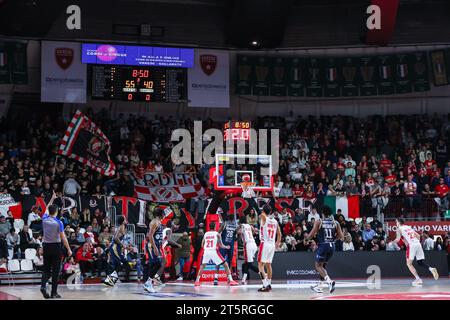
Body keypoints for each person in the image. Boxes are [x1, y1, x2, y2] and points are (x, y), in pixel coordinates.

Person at [40, 192, 72, 299]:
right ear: (57, 211)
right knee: (56, 271)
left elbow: (47, 207)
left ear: (49, 211)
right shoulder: (59, 222)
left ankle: (43, 286)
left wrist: (52, 199)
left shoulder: (44, 219)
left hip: (46, 247)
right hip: (56, 247)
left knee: (46, 269)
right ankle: (54, 292)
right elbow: (63, 238)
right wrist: (68, 249)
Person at [306, 205, 343, 294]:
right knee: (323, 266)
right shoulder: (336, 222)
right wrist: (333, 239)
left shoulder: (319, 222)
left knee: (318, 266)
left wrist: (306, 239)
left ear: (322, 213)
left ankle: (329, 282)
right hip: (332, 246)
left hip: (323, 246)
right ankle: (320, 286)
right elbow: (341, 236)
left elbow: (311, 235)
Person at [393, 218, 439, 286]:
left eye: (396, 222)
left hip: (411, 245)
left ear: (399, 222)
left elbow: (397, 239)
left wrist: (391, 242)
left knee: (409, 264)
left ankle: (418, 279)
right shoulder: (408, 227)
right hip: (417, 244)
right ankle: (431, 269)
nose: (396, 223)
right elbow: (418, 236)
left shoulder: (399, 229)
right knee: (420, 262)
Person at [194, 221, 238, 287]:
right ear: (215, 227)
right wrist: (226, 247)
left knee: (202, 266)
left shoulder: (206, 233)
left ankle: (197, 281)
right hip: (213, 251)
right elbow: (221, 245)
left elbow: (202, 245)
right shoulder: (217, 234)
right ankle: (231, 280)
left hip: (206, 251)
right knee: (226, 265)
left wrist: (206, 248)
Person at [257, 206, 281, 292]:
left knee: (260, 265)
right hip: (272, 244)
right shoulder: (275, 221)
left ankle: (265, 285)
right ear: (270, 211)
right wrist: (277, 243)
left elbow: (262, 214)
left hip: (265, 243)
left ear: (263, 211)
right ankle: (269, 284)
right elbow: (279, 234)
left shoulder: (264, 218)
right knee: (268, 265)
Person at [143, 207, 165, 293]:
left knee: (154, 264)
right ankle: (148, 283)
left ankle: (148, 283)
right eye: (163, 214)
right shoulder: (154, 222)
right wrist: (155, 248)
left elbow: (156, 235)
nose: (164, 215)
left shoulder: (158, 222)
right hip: (151, 246)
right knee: (158, 263)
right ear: (161, 214)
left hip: (156, 245)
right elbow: (150, 235)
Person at [103, 215, 129, 286]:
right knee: (123, 263)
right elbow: (115, 238)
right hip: (115, 247)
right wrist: (122, 245)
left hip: (117, 248)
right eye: (125, 218)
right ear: (122, 220)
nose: (126, 219)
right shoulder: (121, 227)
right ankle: (110, 278)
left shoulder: (122, 227)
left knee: (118, 265)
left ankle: (111, 279)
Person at [214, 213, 238, 285]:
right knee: (228, 261)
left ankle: (216, 278)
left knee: (219, 261)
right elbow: (236, 236)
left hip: (225, 244)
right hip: (230, 245)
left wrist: (219, 242)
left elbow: (218, 233)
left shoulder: (225, 223)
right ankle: (228, 278)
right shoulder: (234, 225)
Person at [239, 215, 259, 285]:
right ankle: (244, 279)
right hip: (254, 244)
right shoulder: (249, 225)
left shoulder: (242, 225)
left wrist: (238, 231)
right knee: (247, 263)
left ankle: (261, 273)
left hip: (248, 245)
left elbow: (240, 232)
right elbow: (254, 231)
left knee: (248, 264)